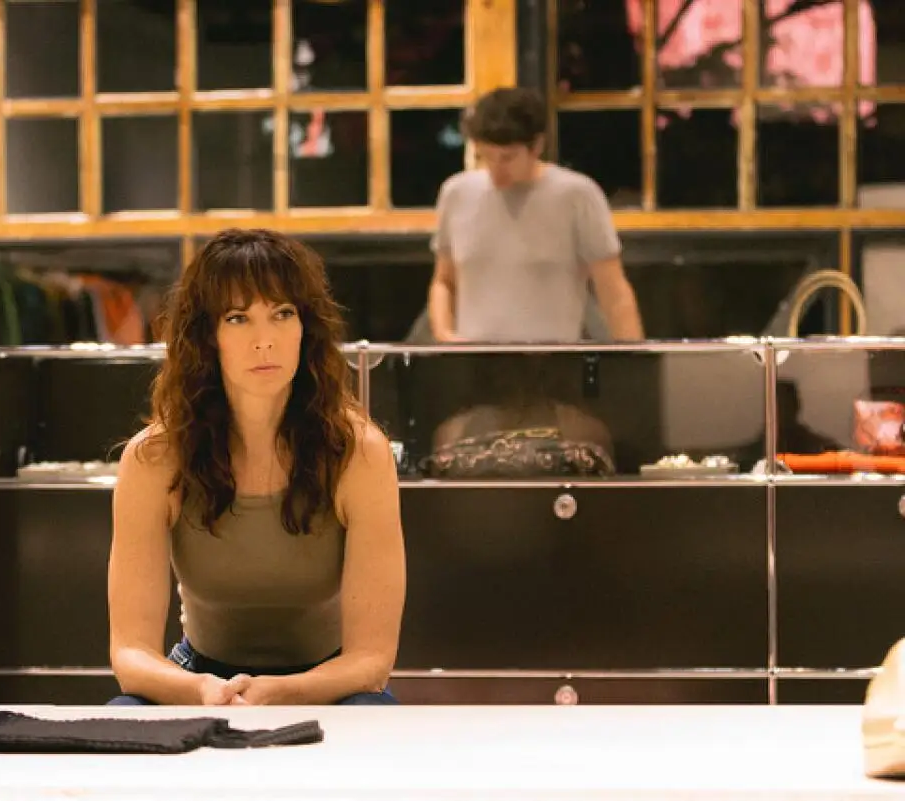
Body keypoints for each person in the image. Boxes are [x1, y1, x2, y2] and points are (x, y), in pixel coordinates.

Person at [106, 228, 406, 706]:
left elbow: (371, 660)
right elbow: (130, 655)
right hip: (200, 677)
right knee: (123, 721)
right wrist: (203, 690)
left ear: (306, 328)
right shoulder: (154, 459)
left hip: (330, 684)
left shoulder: (360, 455)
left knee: (374, 718)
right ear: (208, 337)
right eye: (238, 318)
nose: (265, 341)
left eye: (282, 314)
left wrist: (282, 693)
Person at [428, 87, 644, 344]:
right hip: (474, 361)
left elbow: (613, 291)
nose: (497, 169)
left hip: (555, 361)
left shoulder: (576, 195)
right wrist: (444, 334)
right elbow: (444, 282)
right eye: (485, 157)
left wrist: (633, 359)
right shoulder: (457, 193)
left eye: (507, 158)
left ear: (537, 145)